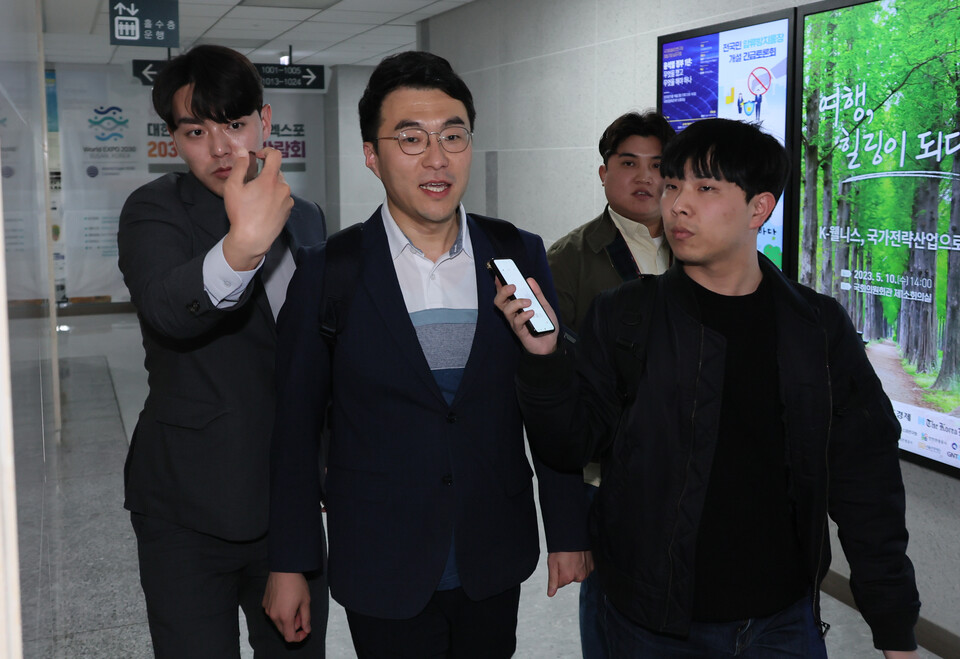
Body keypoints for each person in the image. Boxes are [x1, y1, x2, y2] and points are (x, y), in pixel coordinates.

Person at [495, 117, 921, 658]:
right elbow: (570, 444)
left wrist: (894, 627)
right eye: (673, 185)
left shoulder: (816, 326)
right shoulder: (627, 316)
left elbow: (866, 481)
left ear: (759, 209)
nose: (678, 205)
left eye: (705, 188)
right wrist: (544, 360)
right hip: (654, 626)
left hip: (783, 620)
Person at [262, 51, 589, 658]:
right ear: (372, 155)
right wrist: (289, 564)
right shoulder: (330, 270)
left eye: (453, 136)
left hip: (493, 550)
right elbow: (294, 429)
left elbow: (548, 404)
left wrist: (568, 530)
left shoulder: (516, 253)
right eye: (410, 139)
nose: (437, 159)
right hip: (380, 558)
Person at [117, 44, 327, 658]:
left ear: (265, 121)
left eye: (234, 124)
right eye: (195, 131)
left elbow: (315, 359)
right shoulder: (155, 210)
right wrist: (243, 246)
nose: (220, 148)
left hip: (286, 507)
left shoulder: (307, 219)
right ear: (174, 140)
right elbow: (168, 310)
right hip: (186, 507)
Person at [545, 110, 674, 659]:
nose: (645, 178)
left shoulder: (696, 245)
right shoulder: (568, 259)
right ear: (604, 173)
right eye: (628, 163)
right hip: (607, 474)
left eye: (658, 165)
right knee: (610, 611)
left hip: (685, 467)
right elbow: (554, 379)